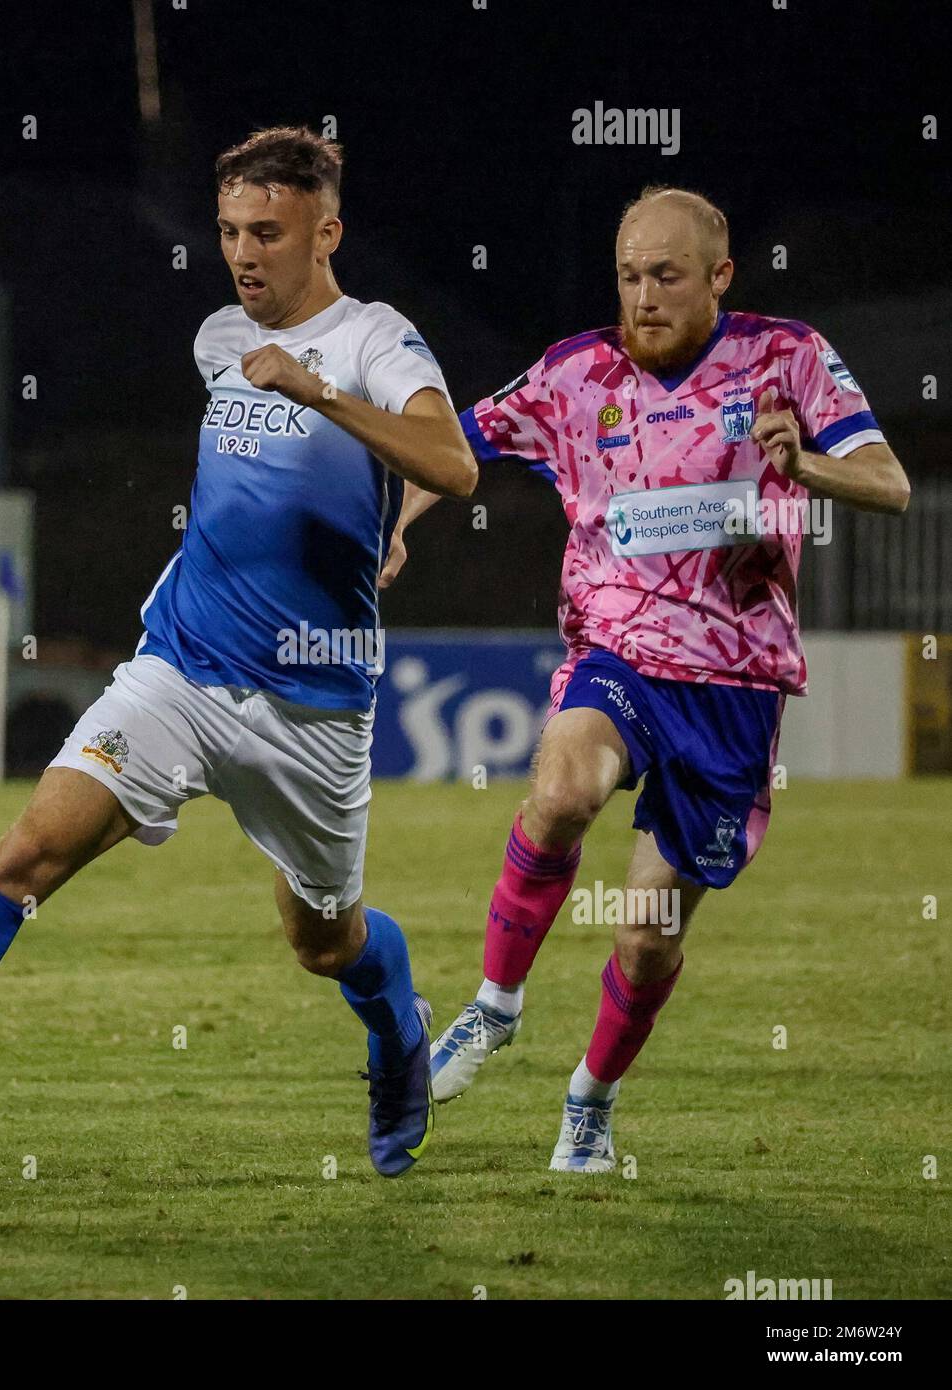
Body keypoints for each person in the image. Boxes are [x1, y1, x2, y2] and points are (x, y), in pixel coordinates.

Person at [0, 126, 477, 1179]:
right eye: (228, 231)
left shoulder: (374, 341)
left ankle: (396, 1026)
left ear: (326, 232)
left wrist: (323, 405)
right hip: (178, 671)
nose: (243, 253)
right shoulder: (221, 337)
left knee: (325, 942)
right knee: (25, 854)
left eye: (267, 231)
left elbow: (454, 465)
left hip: (311, 711)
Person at [388, 185, 909, 1172]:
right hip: (617, 654)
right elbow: (447, 450)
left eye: (666, 276)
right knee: (566, 785)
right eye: (629, 277)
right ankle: (495, 1004)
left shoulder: (787, 358)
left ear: (720, 277)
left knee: (644, 942)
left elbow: (888, 481)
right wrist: (398, 522)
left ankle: (591, 1099)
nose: (644, 297)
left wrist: (806, 470)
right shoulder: (577, 374)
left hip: (736, 693)